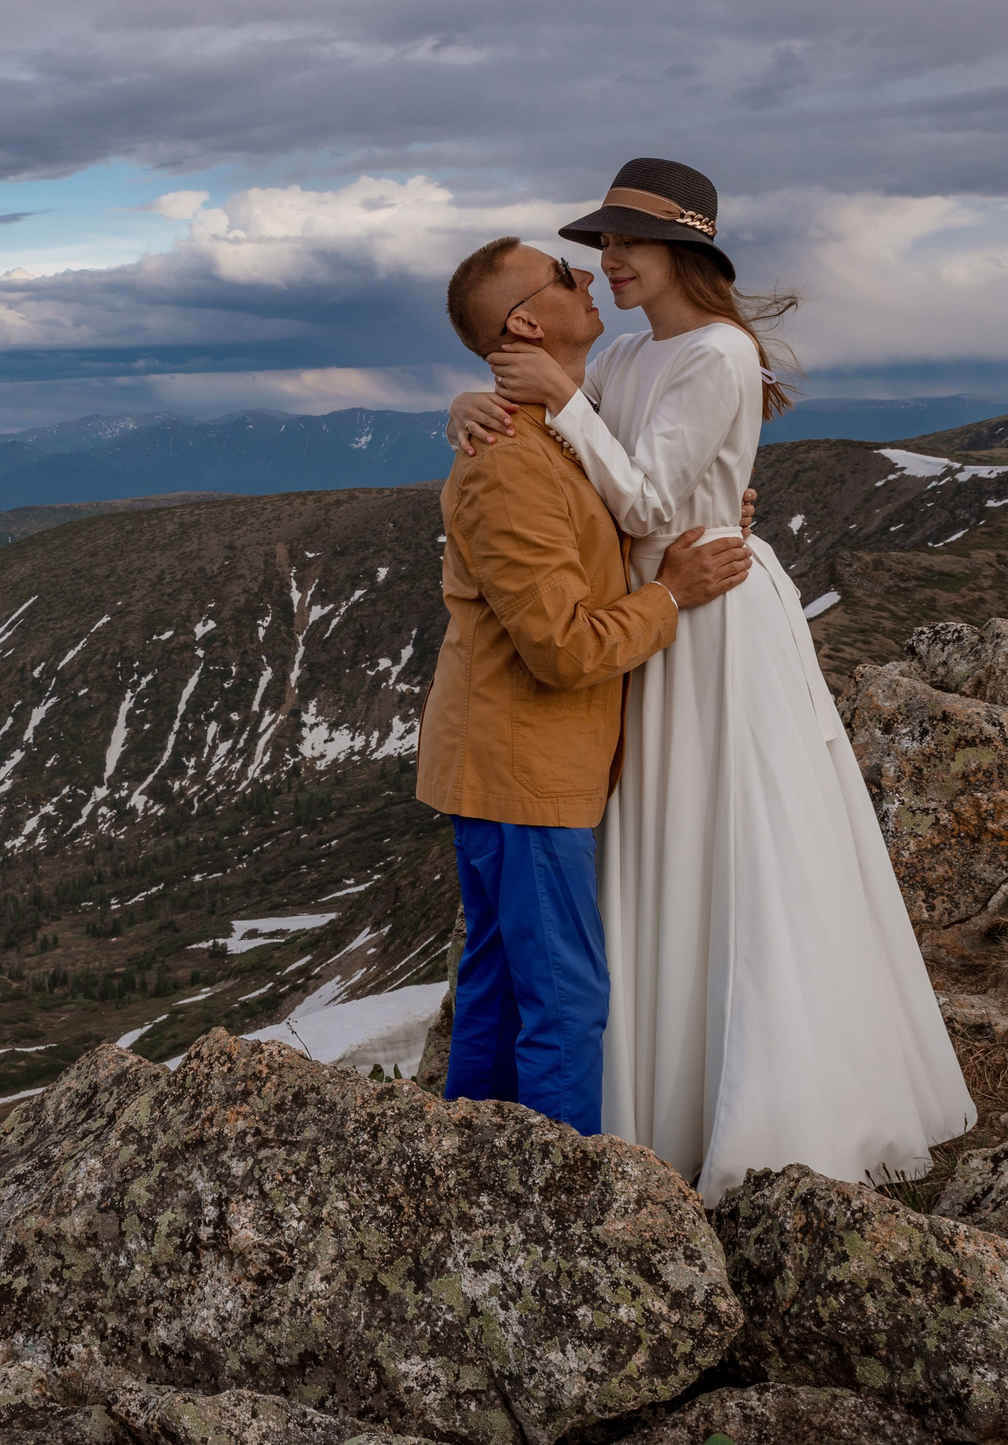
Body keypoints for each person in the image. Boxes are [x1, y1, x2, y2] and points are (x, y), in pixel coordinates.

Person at [448, 158, 975, 1203]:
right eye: (595, 248)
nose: (610, 264)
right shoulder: (637, 356)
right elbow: (565, 460)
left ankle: (750, 1100)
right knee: (661, 836)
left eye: (623, 244)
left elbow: (642, 502)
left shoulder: (718, 354)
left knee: (727, 838)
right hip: (654, 616)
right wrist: (482, 399)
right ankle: (647, 1100)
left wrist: (559, 394)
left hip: (705, 613)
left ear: (683, 249)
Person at [416, 234, 753, 1135]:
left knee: (496, 981)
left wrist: (708, 510)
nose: (588, 274)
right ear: (527, 320)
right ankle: (561, 1212)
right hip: (523, 767)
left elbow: (633, 479)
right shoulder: (514, 461)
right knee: (562, 997)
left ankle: (474, 1165)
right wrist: (670, 596)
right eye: (566, 273)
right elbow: (561, 648)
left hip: (508, 766)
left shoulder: (553, 427)